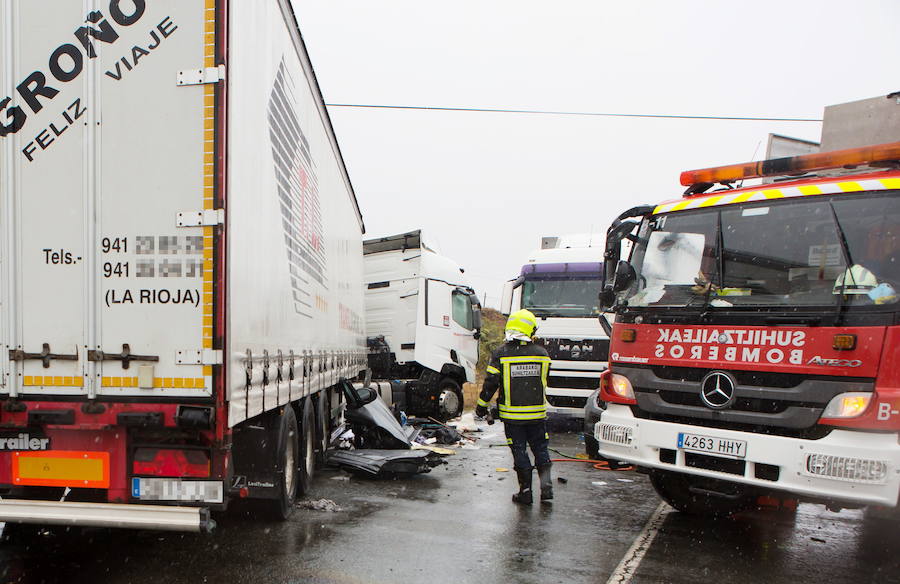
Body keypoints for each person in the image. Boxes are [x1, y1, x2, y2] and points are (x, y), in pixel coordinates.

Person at [475, 309, 553, 504]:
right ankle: (546, 490)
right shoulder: (542, 354)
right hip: (537, 415)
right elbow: (544, 381)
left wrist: (481, 407)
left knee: (520, 451)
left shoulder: (502, 354)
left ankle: (525, 492)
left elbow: (491, 383)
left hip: (513, 417)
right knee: (541, 449)